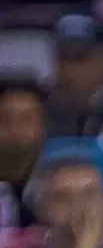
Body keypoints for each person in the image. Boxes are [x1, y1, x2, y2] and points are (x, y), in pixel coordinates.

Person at [0, 73, 46, 229]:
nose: (15, 130)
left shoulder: (55, 188)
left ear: (41, 126)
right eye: (5, 119)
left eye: (26, 119)